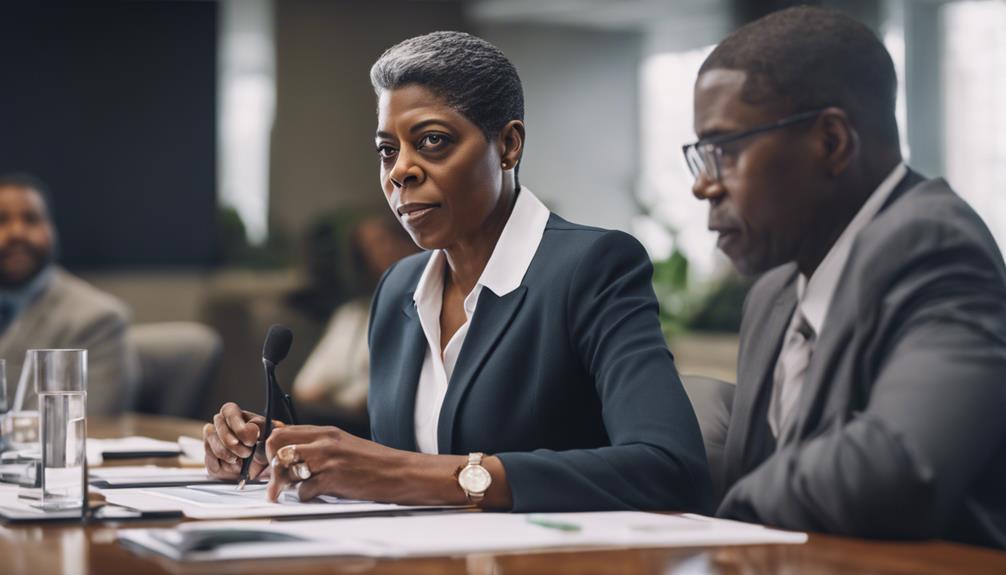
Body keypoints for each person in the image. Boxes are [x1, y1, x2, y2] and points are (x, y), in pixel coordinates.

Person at [204, 31, 711, 513]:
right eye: (388, 150)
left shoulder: (593, 268)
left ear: (509, 145)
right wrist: (282, 453)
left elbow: (669, 467)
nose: (400, 170)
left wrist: (424, 475)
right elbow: (394, 464)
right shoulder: (399, 288)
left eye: (431, 141)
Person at [684, 7, 1006, 548]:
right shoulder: (774, 292)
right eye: (701, 157)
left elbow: (897, 469)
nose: (704, 187)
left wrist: (730, 518)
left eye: (727, 152)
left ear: (831, 141)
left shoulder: (933, 245)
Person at [0, 173, 138, 415]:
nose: (17, 232)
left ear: (51, 229)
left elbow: (76, 427)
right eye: (1, 220)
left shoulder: (97, 320)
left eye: (31, 219)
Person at [292, 214, 419, 425]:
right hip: (330, 416)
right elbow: (307, 389)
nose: (380, 253)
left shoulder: (425, 312)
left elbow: (374, 397)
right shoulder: (352, 314)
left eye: (385, 241)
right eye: (368, 248)